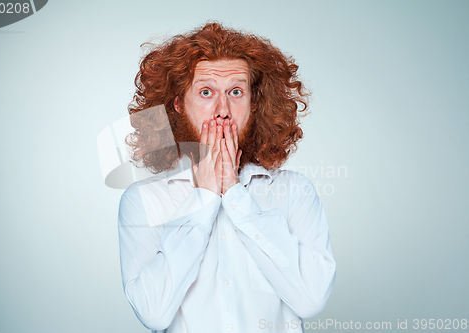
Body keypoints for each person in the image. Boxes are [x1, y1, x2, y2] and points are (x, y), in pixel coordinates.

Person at [118, 22, 336, 333]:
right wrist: (205, 198)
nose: (223, 110)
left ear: (254, 103)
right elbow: (153, 313)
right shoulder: (143, 200)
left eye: (236, 92)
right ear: (178, 104)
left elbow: (311, 300)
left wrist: (235, 195)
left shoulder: (294, 191)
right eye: (206, 92)